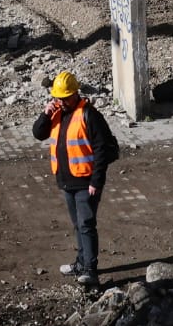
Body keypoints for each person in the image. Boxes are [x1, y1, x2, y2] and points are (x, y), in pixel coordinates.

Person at [33, 70, 118, 290]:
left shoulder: (90, 115)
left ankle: (90, 271)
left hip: (86, 183)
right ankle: (81, 264)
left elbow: (102, 150)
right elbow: (38, 133)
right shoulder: (56, 113)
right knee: (77, 225)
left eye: (65, 98)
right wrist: (45, 114)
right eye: (58, 98)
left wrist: (96, 181)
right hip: (66, 181)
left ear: (75, 94)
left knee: (86, 224)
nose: (61, 102)